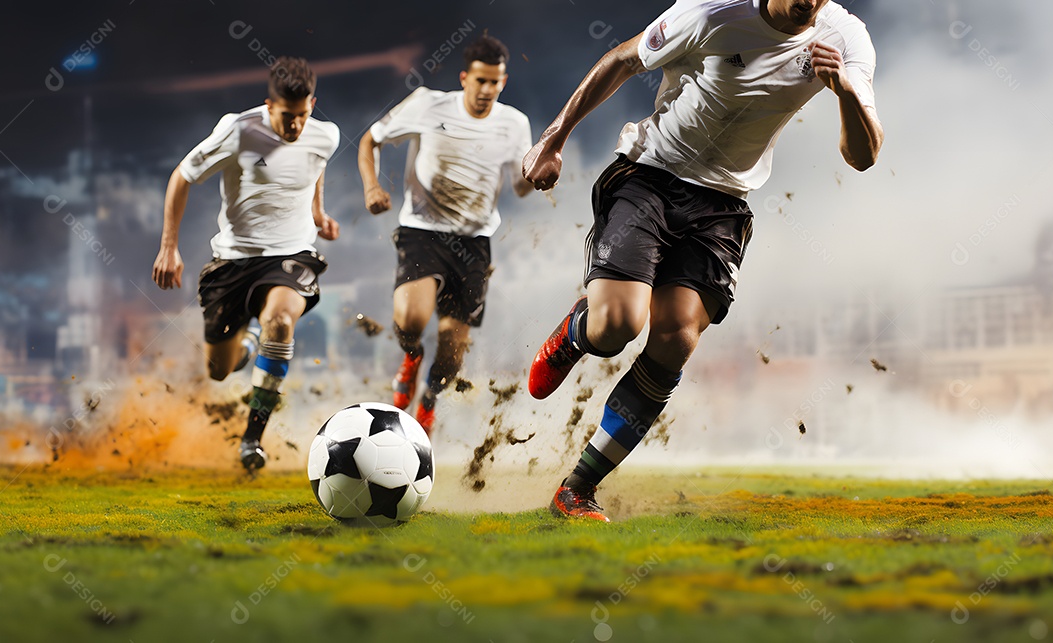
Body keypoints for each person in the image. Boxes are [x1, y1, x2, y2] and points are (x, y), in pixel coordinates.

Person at [523, 0, 883, 521]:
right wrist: (554, 138)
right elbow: (623, 60)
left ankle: (576, 490)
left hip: (722, 205)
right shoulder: (713, 12)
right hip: (650, 175)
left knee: (676, 339)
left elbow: (865, 155)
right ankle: (581, 330)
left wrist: (846, 92)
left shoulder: (847, 39)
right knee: (617, 327)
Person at [151, 56, 341, 472]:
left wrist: (318, 213)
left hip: (292, 254)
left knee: (282, 320)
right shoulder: (238, 131)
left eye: (303, 116)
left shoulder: (325, 135)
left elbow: (315, 168)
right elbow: (182, 176)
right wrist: (169, 247)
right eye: (287, 117)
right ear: (269, 106)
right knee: (221, 370)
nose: (295, 127)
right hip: (234, 262)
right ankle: (250, 341)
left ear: (313, 104)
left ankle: (252, 438)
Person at [358, 34, 533, 436]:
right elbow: (370, 139)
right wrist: (371, 186)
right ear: (464, 78)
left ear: (503, 81)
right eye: (481, 81)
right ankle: (410, 357)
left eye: (496, 82)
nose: (488, 90)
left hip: (474, 243)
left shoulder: (514, 124)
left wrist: (538, 177)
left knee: (453, 356)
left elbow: (520, 186)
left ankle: (429, 401)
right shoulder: (426, 103)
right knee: (412, 318)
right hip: (424, 230)